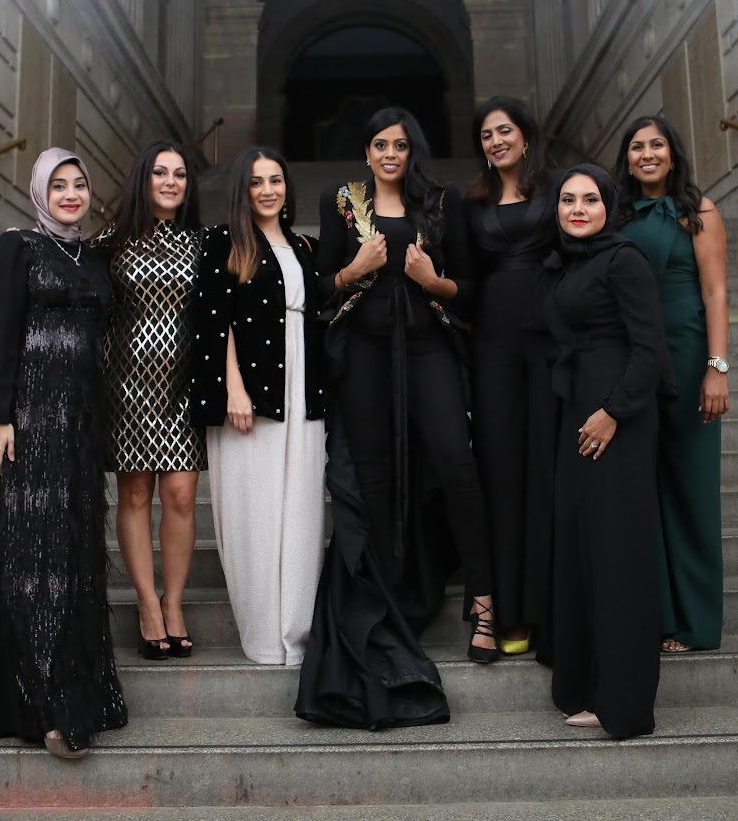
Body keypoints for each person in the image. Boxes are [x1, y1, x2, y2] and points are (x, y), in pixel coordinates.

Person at [296, 107, 493, 732]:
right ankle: (384, 606)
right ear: (366, 152)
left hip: (429, 352)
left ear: (413, 152)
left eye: (400, 145)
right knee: (373, 477)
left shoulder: (440, 203)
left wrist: (434, 281)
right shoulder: (340, 202)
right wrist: (354, 271)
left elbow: (472, 288)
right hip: (364, 354)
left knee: (456, 465)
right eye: (379, 144)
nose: (389, 154)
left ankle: (484, 601)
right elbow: (320, 284)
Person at [0, 147, 128, 760]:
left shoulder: (95, 256)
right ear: (39, 191)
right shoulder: (18, 247)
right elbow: (1, 331)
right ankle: (48, 707)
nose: (70, 194)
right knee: (37, 558)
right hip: (31, 424)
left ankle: (85, 692)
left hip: (82, 425)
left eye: (79, 184)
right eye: (58, 185)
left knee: (77, 555)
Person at [543, 164, 673, 739]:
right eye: (568, 200)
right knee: (586, 549)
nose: (578, 209)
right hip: (580, 413)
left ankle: (624, 703)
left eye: (590, 199)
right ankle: (590, 685)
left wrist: (614, 411)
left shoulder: (624, 259)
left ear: (608, 206)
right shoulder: (571, 262)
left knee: (619, 556)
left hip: (616, 420)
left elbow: (650, 348)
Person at [193, 147, 327, 666]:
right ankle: (263, 633)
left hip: (304, 387)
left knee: (301, 506)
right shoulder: (224, 242)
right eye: (256, 182)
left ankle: (297, 628)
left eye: (276, 180)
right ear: (241, 191)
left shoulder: (305, 246)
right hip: (251, 389)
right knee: (256, 507)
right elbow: (215, 318)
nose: (268, 190)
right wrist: (234, 388)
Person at [614, 116, 729, 654]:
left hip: (685, 355)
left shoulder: (698, 211)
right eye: (637, 146)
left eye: (656, 144)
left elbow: (716, 292)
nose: (647, 154)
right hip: (630, 357)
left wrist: (717, 367)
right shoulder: (615, 213)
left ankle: (695, 619)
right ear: (626, 158)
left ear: (673, 152)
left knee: (690, 484)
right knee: (643, 486)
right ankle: (656, 612)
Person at [98, 142, 205, 660]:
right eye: (160, 172)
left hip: (183, 385)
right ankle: (146, 604)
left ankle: (174, 602)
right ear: (143, 180)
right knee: (136, 493)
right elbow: (66, 264)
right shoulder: (111, 241)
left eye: (179, 174)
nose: (170, 182)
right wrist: (24, 241)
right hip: (125, 385)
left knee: (181, 495)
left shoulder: (203, 242)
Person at [464, 96, 559, 658]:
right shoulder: (472, 202)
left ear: (525, 135)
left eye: (505, 131)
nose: (496, 141)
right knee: (500, 474)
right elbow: (465, 278)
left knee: (546, 468)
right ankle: (506, 610)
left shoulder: (557, 189)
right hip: (493, 346)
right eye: (486, 135)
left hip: (550, 340)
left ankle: (551, 610)